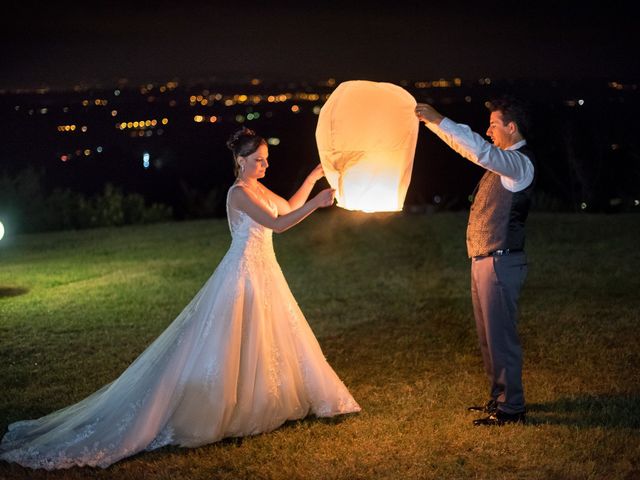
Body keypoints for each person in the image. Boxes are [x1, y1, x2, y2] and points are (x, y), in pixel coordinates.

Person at [0, 128, 360, 470]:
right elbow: (279, 224)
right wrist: (316, 204)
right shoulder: (239, 193)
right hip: (243, 274)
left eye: (266, 159)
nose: (266, 165)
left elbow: (287, 207)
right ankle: (216, 408)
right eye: (259, 160)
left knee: (265, 338)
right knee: (230, 341)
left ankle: (260, 402)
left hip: (265, 273)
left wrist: (313, 179)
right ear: (240, 161)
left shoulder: (261, 190)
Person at [416, 96, 535, 426]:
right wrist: (433, 126)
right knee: (488, 338)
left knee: (501, 339)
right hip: (485, 260)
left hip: (501, 262)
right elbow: (469, 149)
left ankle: (512, 409)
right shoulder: (504, 162)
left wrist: (440, 118)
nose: (488, 130)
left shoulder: (519, 164)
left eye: (494, 125)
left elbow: (480, 150)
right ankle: (499, 400)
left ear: (512, 127)